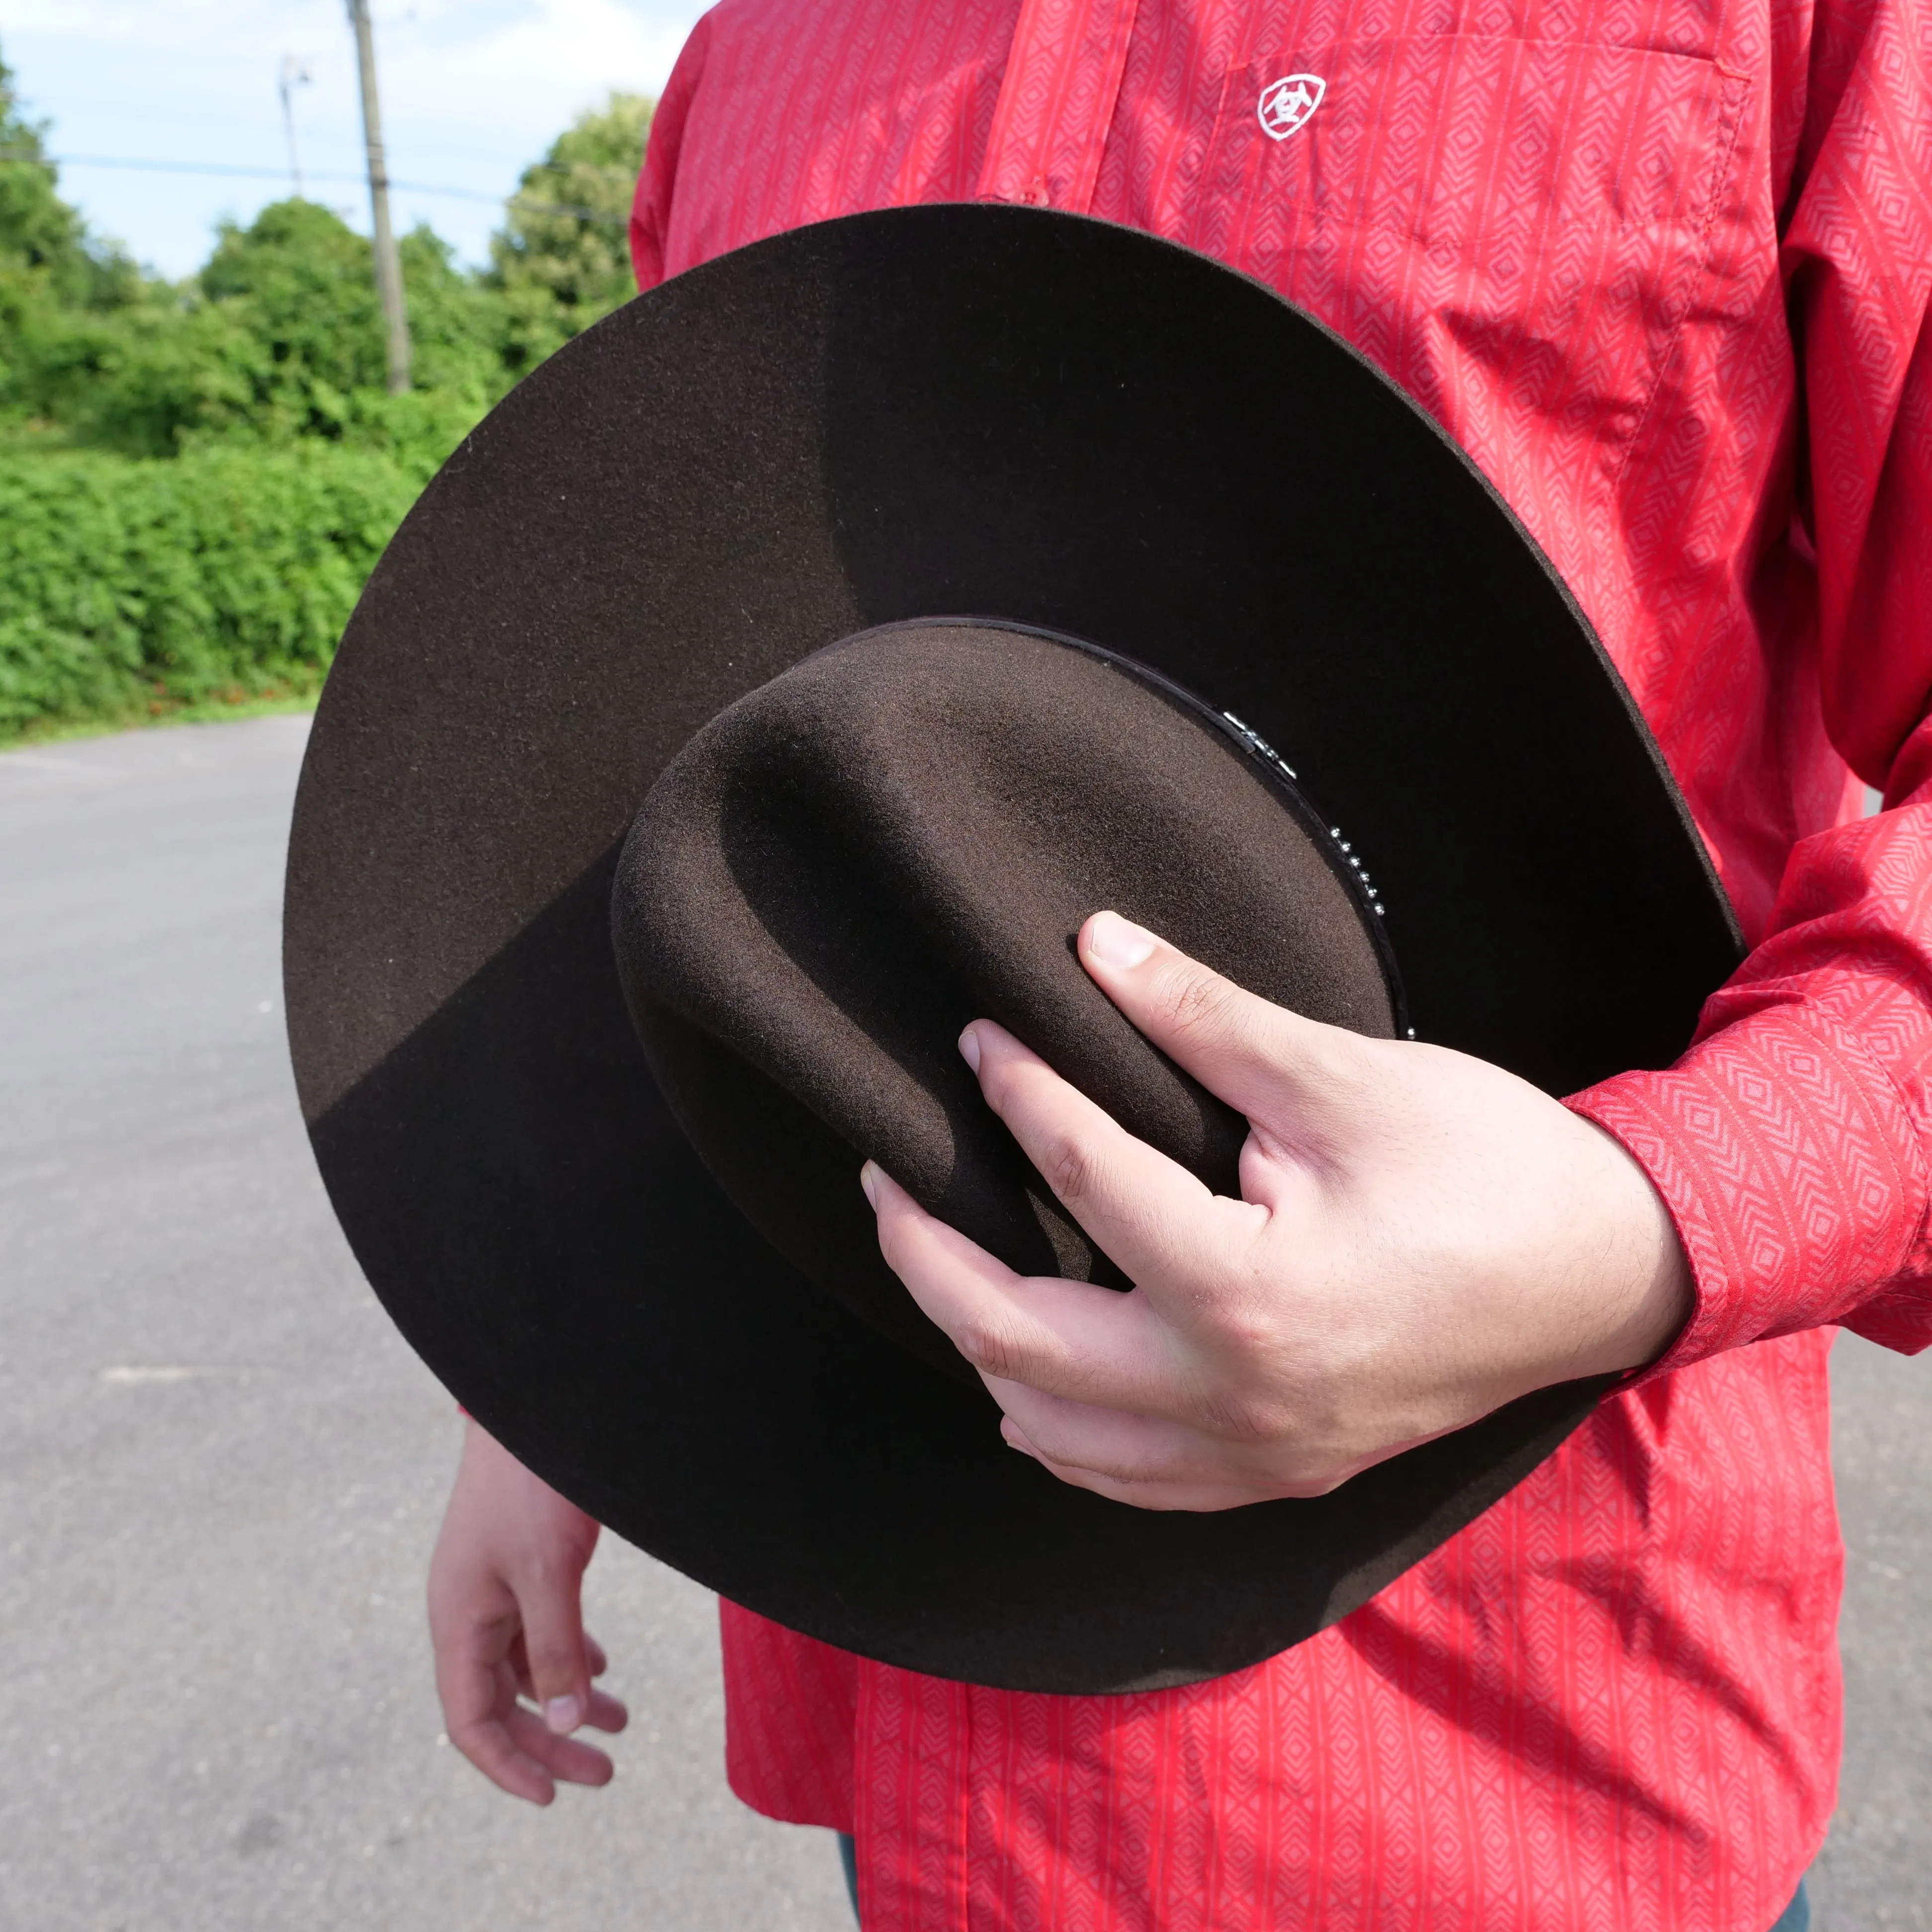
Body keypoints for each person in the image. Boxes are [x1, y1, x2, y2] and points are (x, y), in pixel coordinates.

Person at [425, 0, 1932, 1925]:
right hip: (896, 1645)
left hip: (1502, 1742)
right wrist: (534, 1380)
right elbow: (702, 728)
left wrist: (1645, 1209)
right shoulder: (757, 53)